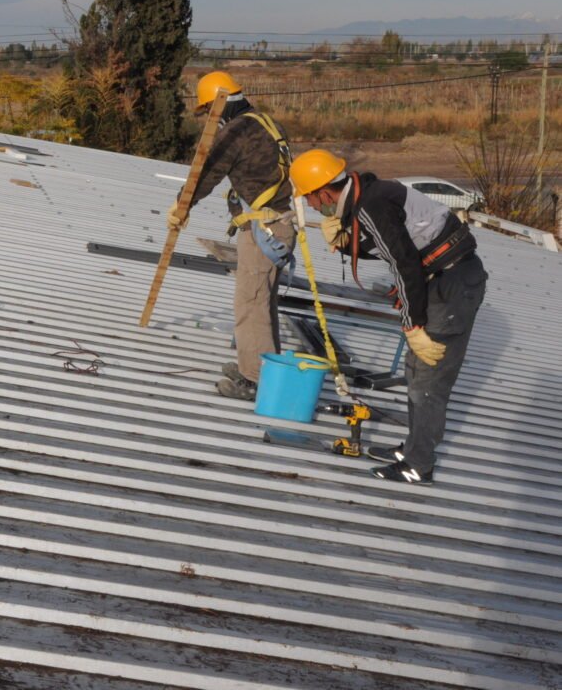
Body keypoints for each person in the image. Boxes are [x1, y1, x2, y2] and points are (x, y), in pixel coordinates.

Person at [289, 148, 488, 485]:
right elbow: (394, 246)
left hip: (451, 286)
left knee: (428, 383)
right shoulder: (370, 195)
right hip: (445, 280)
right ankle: (412, 449)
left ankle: (418, 465)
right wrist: (348, 242)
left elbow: (403, 264)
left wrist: (412, 325)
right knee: (416, 372)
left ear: (324, 192)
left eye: (308, 198)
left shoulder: (371, 205)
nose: (310, 206)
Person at [168, 71, 296, 400]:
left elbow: (206, 172)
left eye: (208, 111)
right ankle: (256, 366)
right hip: (276, 226)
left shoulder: (236, 131)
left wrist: (182, 205)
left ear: (218, 105)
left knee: (250, 303)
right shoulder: (264, 121)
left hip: (265, 229)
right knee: (260, 301)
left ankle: (255, 380)